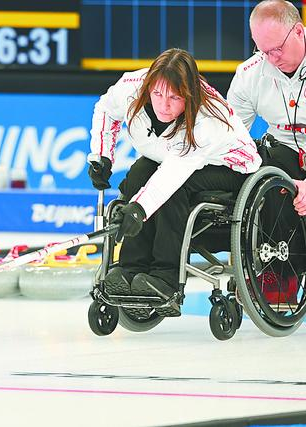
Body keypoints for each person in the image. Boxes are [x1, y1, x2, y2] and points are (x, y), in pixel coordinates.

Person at [87, 48, 261, 316]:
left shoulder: (208, 119)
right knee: (136, 176)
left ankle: (165, 277)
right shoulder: (131, 87)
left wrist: (139, 209)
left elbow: (173, 174)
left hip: (228, 166)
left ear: (188, 95)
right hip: (167, 156)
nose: (163, 105)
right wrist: (101, 155)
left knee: (172, 190)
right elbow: (106, 109)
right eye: (157, 94)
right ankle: (131, 269)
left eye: (174, 97)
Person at [227, 0, 306, 285]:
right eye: (263, 51)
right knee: (266, 173)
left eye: (278, 48)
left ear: (299, 31)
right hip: (287, 153)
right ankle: (283, 273)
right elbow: (230, 137)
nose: (273, 59)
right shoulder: (250, 73)